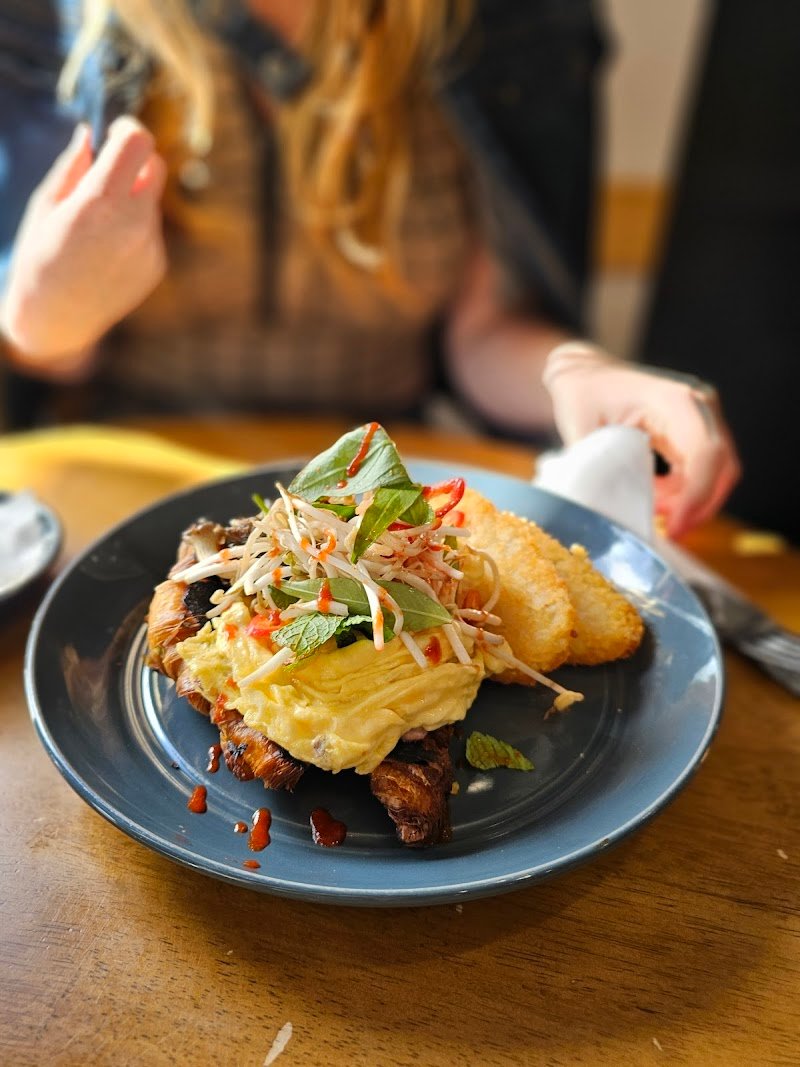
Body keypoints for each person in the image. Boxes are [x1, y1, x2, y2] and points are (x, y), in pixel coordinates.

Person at [0, 0, 739, 537]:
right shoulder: (47, 20)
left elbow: (485, 330)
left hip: (389, 498)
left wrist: (579, 371)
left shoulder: (512, 21)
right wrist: (42, 320)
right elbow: (38, 359)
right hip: (120, 484)